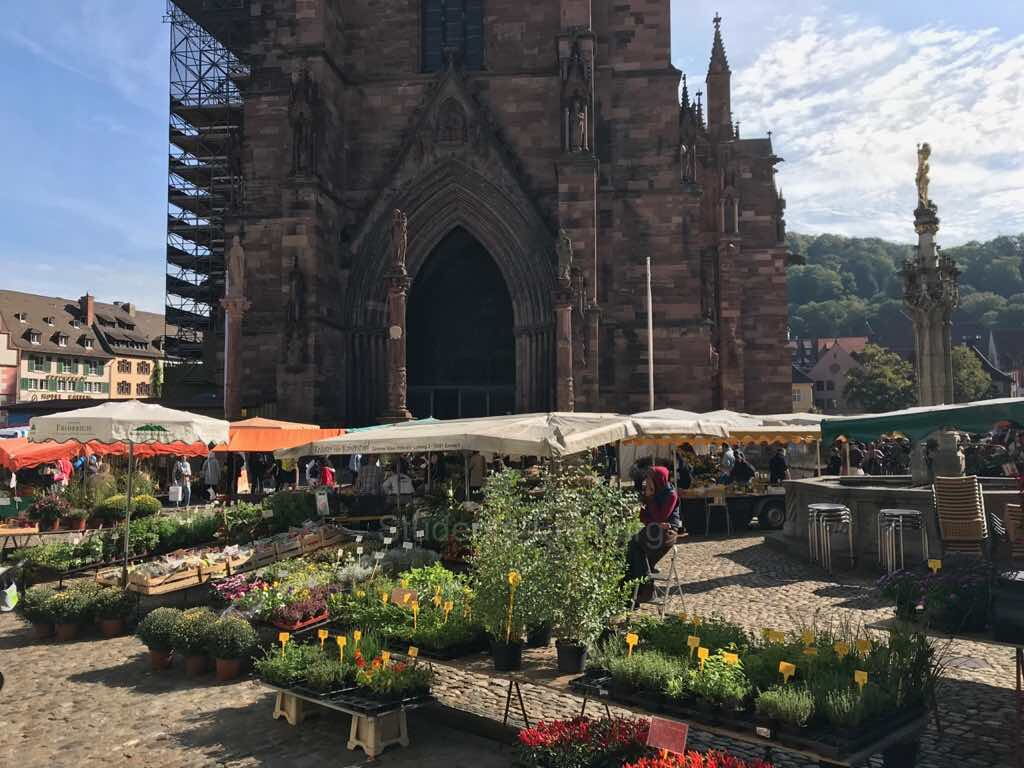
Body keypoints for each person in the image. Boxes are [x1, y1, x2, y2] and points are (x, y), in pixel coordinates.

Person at [626, 466, 683, 607]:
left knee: (634, 548)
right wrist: (654, 522)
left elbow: (660, 516)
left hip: (667, 534)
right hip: (654, 531)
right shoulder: (653, 493)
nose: (648, 482)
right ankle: (638, 594)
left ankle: (646, 590)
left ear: (658, 480)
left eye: (650, 479)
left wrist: (651, 500)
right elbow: (643, 517)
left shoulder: (670, 495)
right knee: (633, 554)